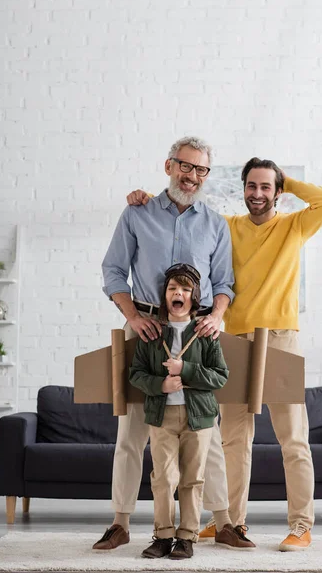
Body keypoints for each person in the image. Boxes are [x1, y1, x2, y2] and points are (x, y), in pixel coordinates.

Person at [126, 157, 322, 552]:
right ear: (242, 189)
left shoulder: (294, 226)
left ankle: (301, 525)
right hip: (233, 341)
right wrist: (145, 199)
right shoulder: (227, 226)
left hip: (278, 339)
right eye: (251, 186)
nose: (257, 194)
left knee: (293, 437)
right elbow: (184, 227)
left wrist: (285, 181)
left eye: (265, 187)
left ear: (276, 191)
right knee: (234, 439)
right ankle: (233, 523)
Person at [93, 136, 254, 551]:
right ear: (169, 166)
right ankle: (120, 523)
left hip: (198, 332)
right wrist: (133, 317)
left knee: (207, 429)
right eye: (186, 166)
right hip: (144, 327)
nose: (193, 175)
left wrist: (217, 315)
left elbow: (223, 283)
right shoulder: (137, 212)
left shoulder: (215, 223)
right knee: (131, 430)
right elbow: (113, 272)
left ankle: (222, 523)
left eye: (201, 169)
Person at [130, 264, 254, 559]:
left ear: (193, 297)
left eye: (185, 290)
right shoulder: (150, 334)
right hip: (161, 417)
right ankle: (162, 536)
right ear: (165, 295)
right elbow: (136, 375)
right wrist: (160, 385)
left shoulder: (205, 334)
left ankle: (186, 537)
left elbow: (219, 376)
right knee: (163, 477)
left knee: (193, 479)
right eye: (173, 289)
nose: (178, 294)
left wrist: (184, 369)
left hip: (198, 417)